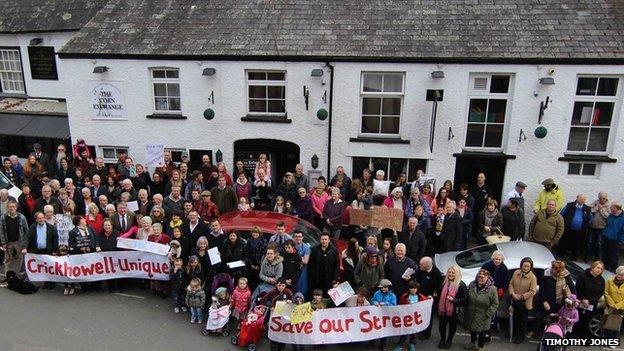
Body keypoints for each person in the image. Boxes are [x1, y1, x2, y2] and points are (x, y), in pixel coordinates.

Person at [530, 260, 575, 337]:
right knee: (539, 317)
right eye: (553, 269)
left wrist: (573, 298)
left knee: (555, 319)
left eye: (557, 270)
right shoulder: (546, 274)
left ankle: (550, 334)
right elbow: (542, 289)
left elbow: (572, 287)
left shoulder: (566, 275)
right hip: (546, 300)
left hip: (559, 302)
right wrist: (544, 301)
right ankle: (534, 332)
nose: (554, 271)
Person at [463, 269, 499, 351]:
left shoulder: (492, 289)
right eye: (479, 276)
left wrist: (488, 314)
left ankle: (480, 347)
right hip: (472, 312)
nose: (481, 278)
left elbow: (495, 304)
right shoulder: (472, 285)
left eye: (483, 277)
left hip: (484, 314)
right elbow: (467, 297)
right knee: (472, 329)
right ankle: (472, 343)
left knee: (482, 332)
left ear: (487, 277)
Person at [508, 257, 537, 344]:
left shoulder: (533, 277)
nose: (526, 268)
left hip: (524, 302)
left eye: (528, 266)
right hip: (515, 300)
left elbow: (532, 291)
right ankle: (514, 333)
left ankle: (521, 337)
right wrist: (512, 293)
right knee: (515, 318)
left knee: (522, 321)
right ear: (521, 265)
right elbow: (511, 284)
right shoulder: (516, 272)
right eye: (524, 266)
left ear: (531, 267)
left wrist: (522, 297)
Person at [25, 211, 58, 289]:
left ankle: (52, 283)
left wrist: (55, 250)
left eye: (42, 217)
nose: (41, 219)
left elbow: (55, 239)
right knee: (43, 268)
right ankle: (46, 282)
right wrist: (24, 248)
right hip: (37, 251)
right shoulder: (32, 228)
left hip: (48, 250)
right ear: (36, 219)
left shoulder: (51, 227)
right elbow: (27, 238)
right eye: (39, 218)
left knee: (50, 267)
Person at [437, 265, 467, 349]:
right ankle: (442, 339)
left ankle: (449, 341)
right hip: (442, 309)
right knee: (441, 326)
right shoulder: (443, 282)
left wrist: (454, 300)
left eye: (453, 272)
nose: (450, 274)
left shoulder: (461, 285)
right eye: (449, 272)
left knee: (452, 327)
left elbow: (465, 299)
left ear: (457, 274)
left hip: (453, 310)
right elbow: (438, 294)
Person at [573, 261, 605, 338]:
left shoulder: (601, 280)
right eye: (597, 267)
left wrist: (590, 301)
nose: (599, 270)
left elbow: (600, 293)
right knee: (577, 319)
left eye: (601, 269)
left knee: (587, 321)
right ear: (593, 267)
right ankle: (573, 336)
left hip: (592, 304)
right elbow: (578, 288)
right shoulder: (583, 276)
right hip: (581, 302)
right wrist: (583, 299)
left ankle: (583, 337)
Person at [0, 200, 29, 281]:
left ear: (16, 207)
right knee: (8, 260)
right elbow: (1, 230)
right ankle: (7, 276)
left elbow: (26, 231)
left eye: (13, 206)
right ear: (7, 207)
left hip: (19, 242)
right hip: (8, 242)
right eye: (10, 206)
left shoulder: (22, 217)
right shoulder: (3, 217)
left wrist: (25, 245)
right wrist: (3, 242)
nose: (12, 208)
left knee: (21, 259)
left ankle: (19, 275)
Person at [416, 256, 443, 339]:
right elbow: (416, 277)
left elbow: (438, 289)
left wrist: (433, 296)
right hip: (420, 296)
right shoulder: (421, 270)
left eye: (421, 265)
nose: (419, 266)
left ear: (427, 265)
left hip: (429, 299)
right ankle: (419, 330)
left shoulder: (436, 274)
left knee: (428, 316)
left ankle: (427, 333)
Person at [559, 194, 591, 260]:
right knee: (564, 244)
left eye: (584, 199)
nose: (583, 200)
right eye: (581, 199)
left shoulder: (587, 208)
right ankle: (560, 258)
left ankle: (573, 260)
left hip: (580, 231)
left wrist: (586, 225)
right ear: (577, 198)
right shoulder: (569, 205)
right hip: (568, 229)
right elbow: (561, 214)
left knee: (576, 246)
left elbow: (590, 219)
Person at [97, 218, 124, 292]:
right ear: (103, 226)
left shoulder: (117, 234)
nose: (107, 227)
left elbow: (121, 245)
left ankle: (121, 286)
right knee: (109, 272)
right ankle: (111, 286)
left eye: (108, 225)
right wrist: (97, 246)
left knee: (118, 272)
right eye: (105, 225)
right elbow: (97, 243)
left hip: (116, 256)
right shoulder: (100, 234)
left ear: (112, 226)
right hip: (105, 257)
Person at [371, 279, 397, 351]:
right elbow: (372, 300)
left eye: (385, 287)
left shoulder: (393, 296)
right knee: (375, 328)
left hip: (387, 315)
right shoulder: (376, 293)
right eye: (382, 287)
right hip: (377, 315)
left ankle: (383, 345)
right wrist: (374, 302)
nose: (384, 289)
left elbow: (394, 305)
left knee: (385, 330)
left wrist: (386, 304)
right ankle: (372, 342)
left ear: (389, 287)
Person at [602, 202, 624, 273]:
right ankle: (604, 268)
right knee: (604, 254)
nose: (610, 209)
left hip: (615, 240)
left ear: (616, 209)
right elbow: (607, 224)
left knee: (613, 257)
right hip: (605, 238)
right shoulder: (611, 215)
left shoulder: (622, 218)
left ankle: (612, 271)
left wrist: (621, 241)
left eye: (612, 208)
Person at [603, 266, 624, 341]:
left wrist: (617, 306)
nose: (619, 276)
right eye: (618, 274)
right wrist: (612, 304)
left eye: (621, 275)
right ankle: (606, 339)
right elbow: (606, 292)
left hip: (621, 308)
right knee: (607, 323)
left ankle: (613, 340)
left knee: (617, 325)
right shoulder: (609, 281)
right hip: (610, 306)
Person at [588, 192, 610, 261]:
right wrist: (596, 208)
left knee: (599, 243)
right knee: (589, 242)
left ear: (606, 198)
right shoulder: (595, 202)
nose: (602, 200)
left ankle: (597, 258)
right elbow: (589, 209)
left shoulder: (609, 206)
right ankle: (588, 256)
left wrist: (601, 210)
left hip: (601, 228)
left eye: (603, 198)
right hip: (592, 226)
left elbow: (607, 216)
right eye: (600, 198)